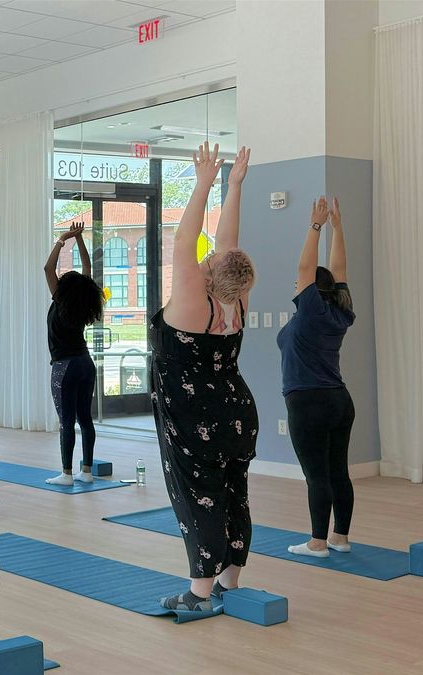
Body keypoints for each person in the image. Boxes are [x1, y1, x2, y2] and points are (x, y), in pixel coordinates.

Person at [149, 144, 258, 611]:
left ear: (210, 272)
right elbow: (227, 244)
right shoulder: (234, 301)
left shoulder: (195, 299)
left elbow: (182, 242)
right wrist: (233, 186)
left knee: (199, 495)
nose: (208, 256)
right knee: (234, 492)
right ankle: (230, 582)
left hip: (195, 415)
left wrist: (203, 185)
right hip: (235, 408)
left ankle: (198, 594)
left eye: (210, 259)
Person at [278, 196, 356, 558]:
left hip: (308, 402)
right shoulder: (339, 311)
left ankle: (317, 542)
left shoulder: (308, 310)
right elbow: (338, 270)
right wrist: (338, 228)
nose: (296, 285)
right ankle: (340, 537)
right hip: (340, 400)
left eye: (300, 284)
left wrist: (315, 226)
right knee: (338, 470)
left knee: (317, 475)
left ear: (309, 288)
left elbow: (306, 266)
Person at [43, 220, 104, 485]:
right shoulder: (84, 304)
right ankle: (87, 471)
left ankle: (67, 473)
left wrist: (62, 239)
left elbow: (48, 267)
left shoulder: (59, 300)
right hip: (85, 363)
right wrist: (79, 239)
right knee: (85, 418)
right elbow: (87, 270)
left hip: (64, 367)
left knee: (66, 421)